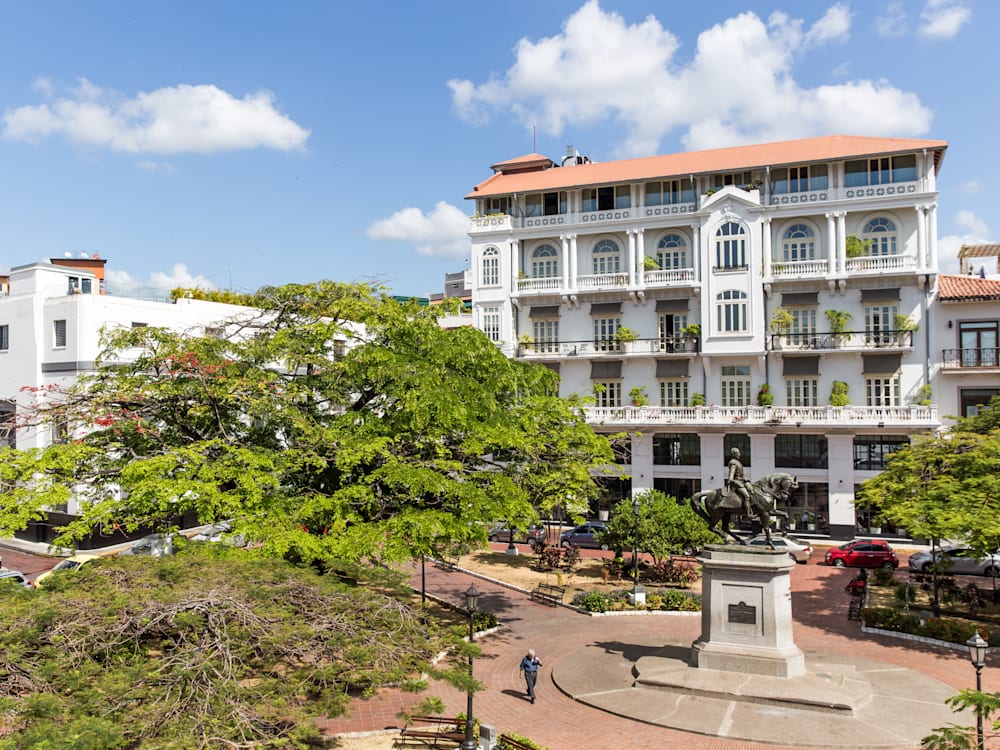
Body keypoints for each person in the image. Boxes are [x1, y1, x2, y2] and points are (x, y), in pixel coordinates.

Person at [726, 448, 753, 518]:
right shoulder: (733, 462)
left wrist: (744, 479)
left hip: (741, 481)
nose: (739, 454)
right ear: (734, 454)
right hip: (737, 483)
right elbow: (732, 473)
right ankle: (748, 514)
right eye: (738, 453)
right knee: (746, 496)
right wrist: (731, 479)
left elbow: (739, 475)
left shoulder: (738, 462)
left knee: (752, 490)